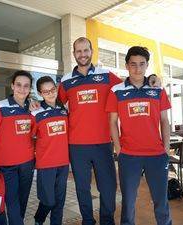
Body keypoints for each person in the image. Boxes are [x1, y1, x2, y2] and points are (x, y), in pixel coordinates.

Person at [30, 37, 160, 225]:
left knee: (108, 187)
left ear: (91, 51)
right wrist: (32, 103)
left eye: (86, 50)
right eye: (78, 51)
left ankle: (107, 221)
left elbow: (131, 81)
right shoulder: (66, 80)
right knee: (82, 188)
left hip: (102, 143)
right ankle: (88, 221)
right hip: (76, 145)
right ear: (74, 53)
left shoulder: (106, 75)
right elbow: (52, 100)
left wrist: (151, 78)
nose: (82, 54)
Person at [106, 46, 172, 225]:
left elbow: (165, 120)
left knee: (161, 201)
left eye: (142, 64)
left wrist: (166, 149)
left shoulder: (157, 89)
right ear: (127, 65)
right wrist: (119, 148)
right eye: (133, 64)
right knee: (128, 202)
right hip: (129, 156)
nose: (138, 69)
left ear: (147, 65)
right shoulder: (116, 90)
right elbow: (112, 122)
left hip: (157, 155)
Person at [0, 70, 35, 225]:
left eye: (26, 86)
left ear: (30, 88)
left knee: (23, 201)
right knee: (12, 202)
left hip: (28, 163)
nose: (22, 89)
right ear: (12, 86)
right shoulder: (0, 107)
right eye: (18, 85)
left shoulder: (32, 108)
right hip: (7, 165)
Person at [31, 76, 69, 225]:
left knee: (59, 202)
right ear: (40, 94)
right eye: (46, 92)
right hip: (46, 164)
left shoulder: (64, 109)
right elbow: (29, 136)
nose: (51, 93)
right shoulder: (35, 112)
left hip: (63, 163)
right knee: (48, 201)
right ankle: (38, 219)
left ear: (56, 88)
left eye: (52, 89)